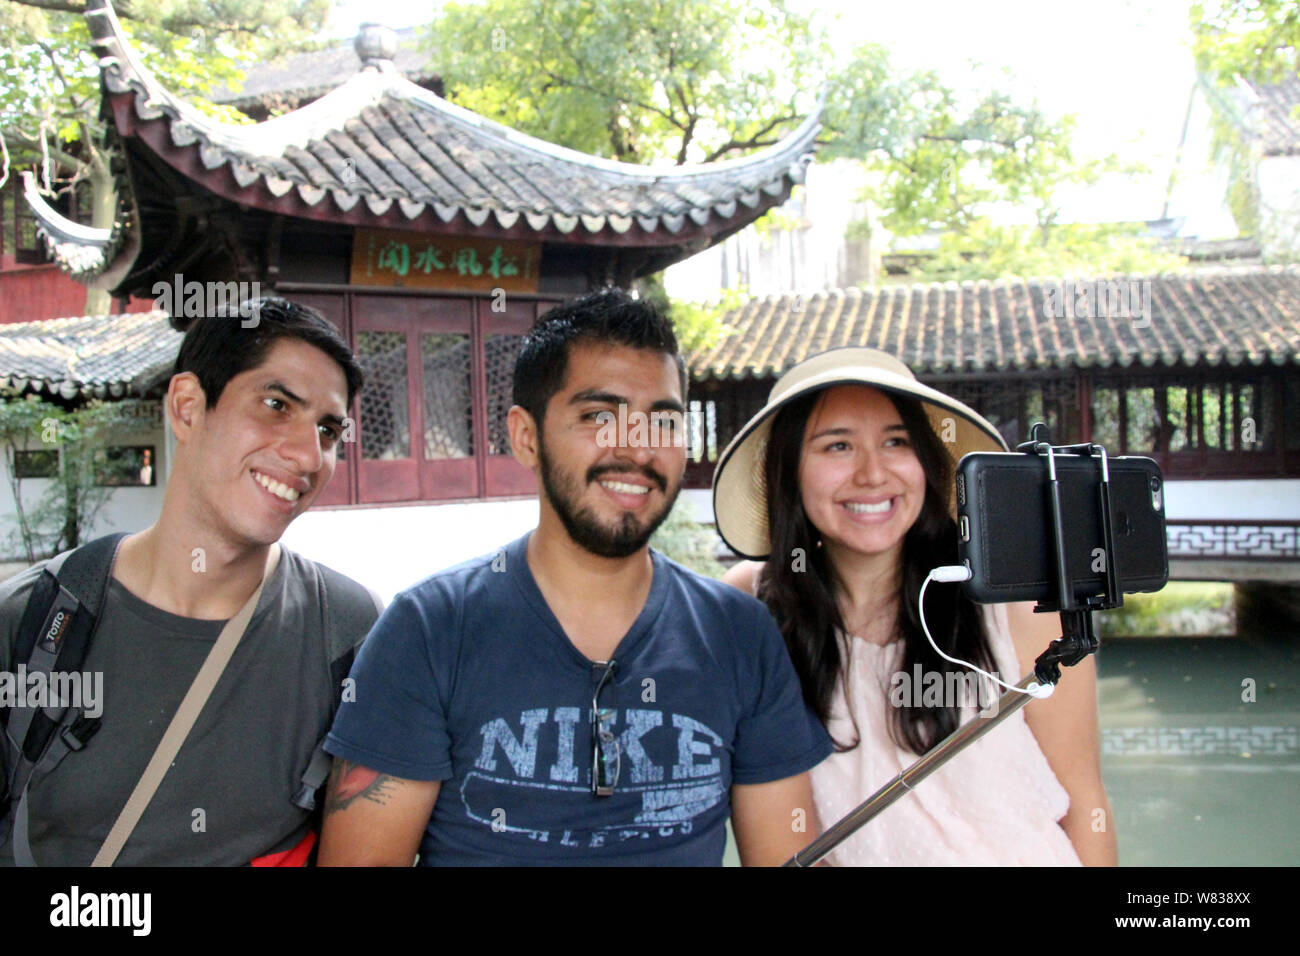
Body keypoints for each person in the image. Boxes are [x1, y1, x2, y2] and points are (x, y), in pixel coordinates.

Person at [319, 288, 832, 866]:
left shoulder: (740, 635)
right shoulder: (430, 631)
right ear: (526, 436)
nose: (636, 449)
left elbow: (784, 855)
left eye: (663, 422)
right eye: (598, 417)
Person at [0, 296, 381, 866]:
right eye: (276, 405)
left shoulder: (348, 633)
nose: (307, 456)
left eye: (328, 431)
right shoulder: (36, 622)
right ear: (187, 407)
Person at [714, 347, 1116, 866]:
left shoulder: (1012, 601)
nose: (872, 474)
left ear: (926, 461)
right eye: (837, 446)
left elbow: (1084, 803)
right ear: (789, 470)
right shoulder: (755, 604)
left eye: (896, 442)